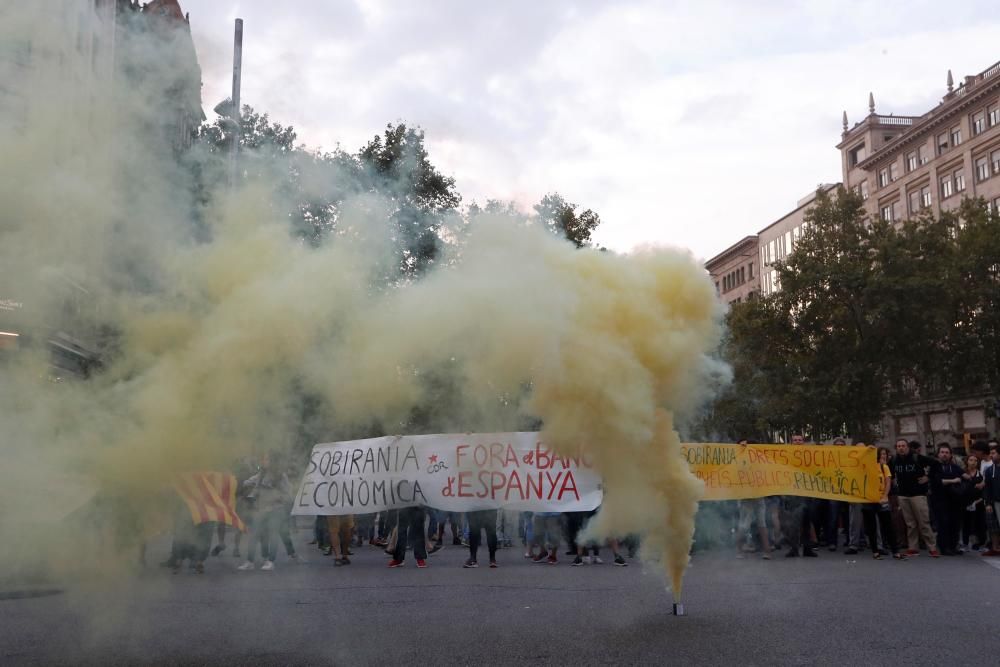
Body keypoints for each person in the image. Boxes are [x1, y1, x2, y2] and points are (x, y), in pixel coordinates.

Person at [238, 452, 299, 571]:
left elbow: (289, 494)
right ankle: (249, 561)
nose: (263, 461)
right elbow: (248, 482)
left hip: (276, 510)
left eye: (266, 459)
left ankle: (270, 561)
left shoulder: (280, 476)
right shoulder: (260, 474)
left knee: (273, 535)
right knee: (254, 535)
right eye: (263, 459)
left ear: (272, 461)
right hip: (261, 510)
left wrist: (277, 497)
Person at [891, 439, 939, 557]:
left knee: (924, 522)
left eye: (903, 446)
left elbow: (936, 464)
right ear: (896, 448)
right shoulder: (894, 460)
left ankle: (932, 547)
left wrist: (928, 477)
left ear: (907, 447)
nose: (901, 448)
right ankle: (913, 548)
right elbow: (889, 473)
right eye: (898, 446)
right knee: (910, 524)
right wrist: (893, 482)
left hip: (918, 494)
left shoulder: (917, 458)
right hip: (902, 495)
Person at [861, 447, 905, 560]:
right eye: (881, 455)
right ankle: (875, 551)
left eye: (885, 454)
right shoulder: (866, 467)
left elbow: (888, 483)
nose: (884, 456)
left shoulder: (884, 467)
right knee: (871, 527)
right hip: (868, 500)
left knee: (888, 525)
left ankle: (895, 551)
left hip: (882, 500)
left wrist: (885, 496)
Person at [783, 434, 817, 557]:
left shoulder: (809, 455)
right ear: (791, 442)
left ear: (803, 442)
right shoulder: (786, 455)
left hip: (807, 492)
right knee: (793, 523)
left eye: (800, 440)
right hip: (793, 493)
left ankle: (807, 548)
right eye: (795, 440)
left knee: (807, 522)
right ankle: (794, 549)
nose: (797, 442)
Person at [929, 443, 965, 555]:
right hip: (939, 500)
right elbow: (937, 482)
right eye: (942, 452)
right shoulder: (934, 467)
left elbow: (964, 476)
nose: (944, 455)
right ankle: (944, 548)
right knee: (943, 523)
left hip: (954, 501)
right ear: (938, 454)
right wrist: (953, 481)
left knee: (955, 523)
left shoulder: (955, 467)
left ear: (950, 455)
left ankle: (954, 546)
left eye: (947, 453)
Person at [961, 454, 986, 552]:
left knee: (980, 524)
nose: (973, 462)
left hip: (978, 502)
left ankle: (980, 543)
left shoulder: (980, 474)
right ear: (967, 461)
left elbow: (984, 490)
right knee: (965, 524)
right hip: (965, 503)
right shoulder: (962, 473)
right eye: (971, 460)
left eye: (975, 460)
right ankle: (965, 544)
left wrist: (978, 501)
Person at [983, 444, 1000, 557]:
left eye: (993, 453)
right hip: (994, 502)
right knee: (993, 526)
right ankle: (995, 548)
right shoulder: (989, 470)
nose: (991, 455)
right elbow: (987, 488)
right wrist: (988, 503)